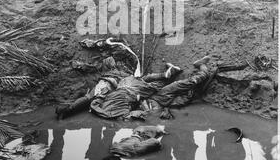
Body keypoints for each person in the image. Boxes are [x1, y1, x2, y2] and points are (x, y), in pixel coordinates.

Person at [55, 56, 211, 121]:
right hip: (149, 98)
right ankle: (201, 71)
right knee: (180, 87)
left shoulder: (107, 91)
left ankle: (172, 73)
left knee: (170, 85)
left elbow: (91, 99)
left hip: (144, 95)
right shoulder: (108, 94)